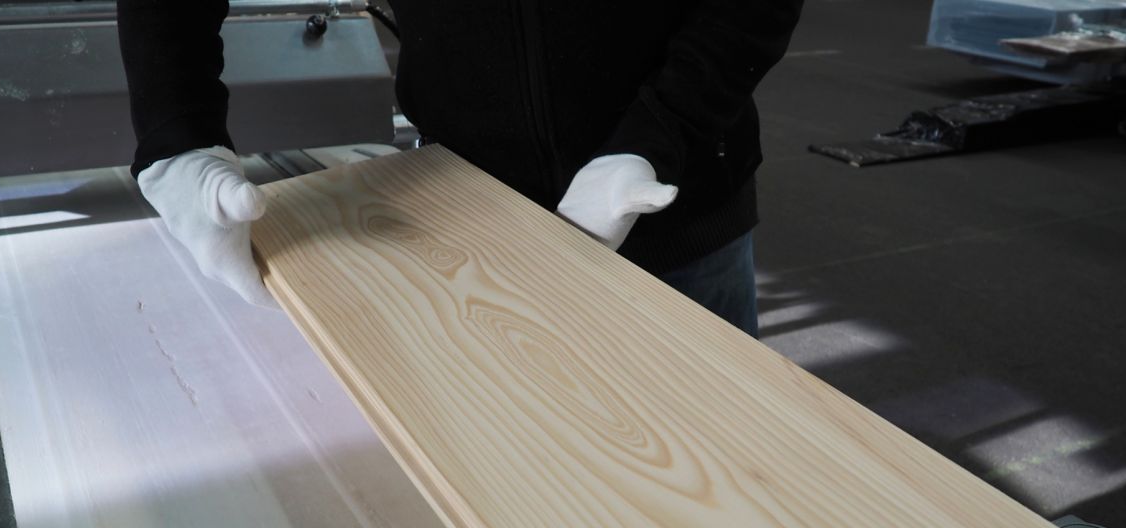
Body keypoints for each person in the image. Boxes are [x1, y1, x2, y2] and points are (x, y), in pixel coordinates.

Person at [117, 1, 803, 338]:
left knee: (721, 478)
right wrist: (177, 135)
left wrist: (657, 136)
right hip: (468, 213)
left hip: (678, 208)